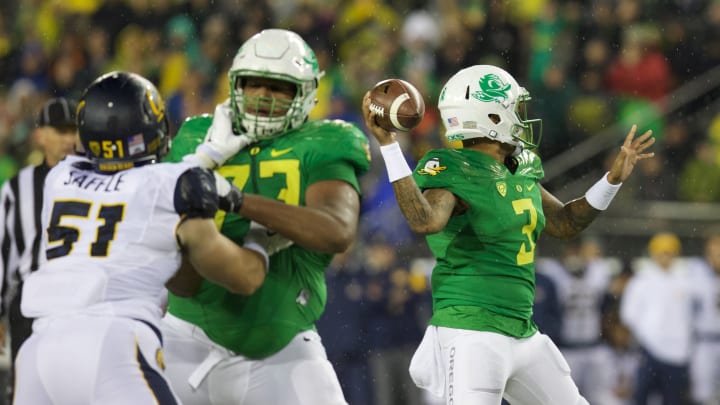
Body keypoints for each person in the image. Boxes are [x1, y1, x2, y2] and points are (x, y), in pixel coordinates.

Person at [361, 64, 655, 405]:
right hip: (473, 330)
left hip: (522, 331)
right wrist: (390, 147)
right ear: (489, 115)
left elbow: (564, 223)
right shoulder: (452, 166)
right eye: (513, 108)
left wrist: (611, 180)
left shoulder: (520, 165)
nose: (520, 116)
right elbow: (425, 221)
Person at [12, 71, 273, 404]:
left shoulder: (59, 177)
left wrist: (201, 164)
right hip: (111, 343)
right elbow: (243, 277)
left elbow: (131, 189)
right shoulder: (173, 186)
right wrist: (257, 240)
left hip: (38, 352)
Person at [159, 28, 371, 404]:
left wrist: (237, 200)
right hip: (185, 333)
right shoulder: (198, 135)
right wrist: (203, 160)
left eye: (278, 88)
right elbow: (160, 230)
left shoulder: (325, 141)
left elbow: (337, 232)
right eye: (253, 85)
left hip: (279, 339)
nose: (262, 97)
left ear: (305, 94)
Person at [0, 96, 79, 402]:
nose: (70, 139)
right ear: (40, 135)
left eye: (74, 130)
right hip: (29, 303)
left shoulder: (99, 181)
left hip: (78, 301)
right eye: (61, 131)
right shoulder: (16, 189)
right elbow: (3, 251)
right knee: (27, 392)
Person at [620, 232, 698, 405]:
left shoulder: (685, 280)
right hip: (649, 350)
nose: (665, 257)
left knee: (673, 399)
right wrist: (648, 336)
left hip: (678, 352)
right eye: (662, 252)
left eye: (669, 252)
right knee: (641, 397)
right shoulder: (642, 280)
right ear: (653, 253)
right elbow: (629, 315)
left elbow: (689, 316)